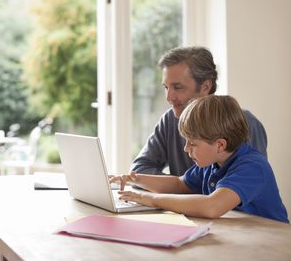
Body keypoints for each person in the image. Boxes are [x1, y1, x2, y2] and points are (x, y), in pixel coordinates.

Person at [110, 95, 288, 223]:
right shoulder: (212, 163)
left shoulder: (253, 166)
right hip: (241, 236)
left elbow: (212, 206)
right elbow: (180, 184)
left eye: (192, 143)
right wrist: (136, 179)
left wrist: (151, 199)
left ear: (219, 145)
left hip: (271, 240)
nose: (186, 148)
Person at [131, 46, 267, 176]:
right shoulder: (170, 120)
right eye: (166, 87)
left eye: (177, 87)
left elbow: (253, 180)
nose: (169, 97)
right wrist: (180, 186)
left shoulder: (244, 122)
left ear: (205, 86)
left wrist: (185, 189)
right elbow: (139, 169)